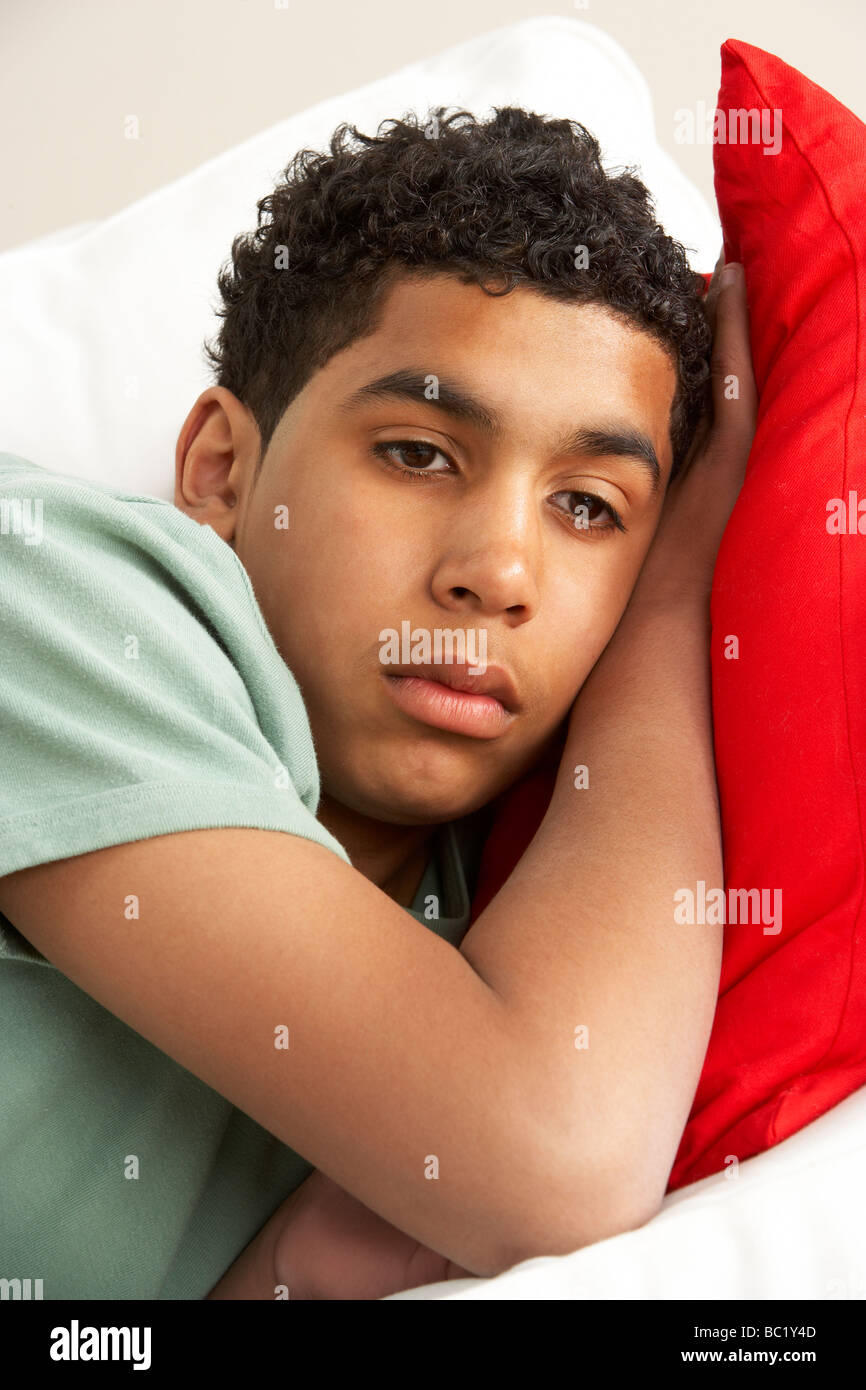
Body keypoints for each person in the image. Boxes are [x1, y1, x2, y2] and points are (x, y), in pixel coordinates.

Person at [0, 106, 755, 1300]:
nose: (497, 573)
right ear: (221, 471)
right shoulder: (46, 588)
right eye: (417, 452)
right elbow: (548, 1158)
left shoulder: (498, 906)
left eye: (588, 507)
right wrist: (668, 603)